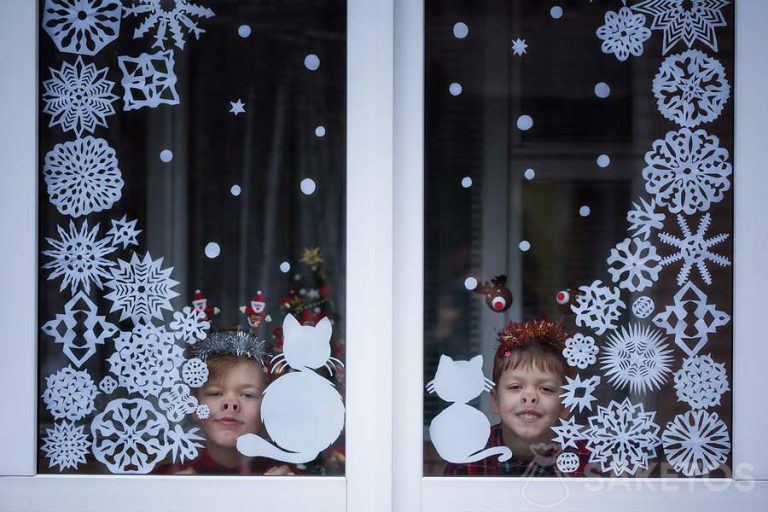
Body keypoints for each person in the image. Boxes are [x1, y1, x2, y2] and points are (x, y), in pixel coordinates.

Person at [443, 318, 590, 476]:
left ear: (565, 405)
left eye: (546, 389)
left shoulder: (586, 458)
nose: (530, 396)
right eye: (515, 387)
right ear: (495, 400)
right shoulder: (468, 456)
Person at [157, 330, 295, 475]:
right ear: (193, 404)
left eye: (248, 395)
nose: (230, 404)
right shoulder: (165, 479)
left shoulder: (292, 479)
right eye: (215, 393)